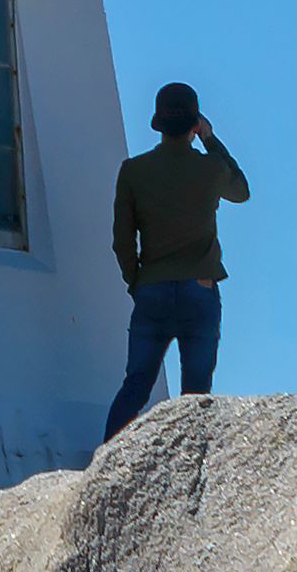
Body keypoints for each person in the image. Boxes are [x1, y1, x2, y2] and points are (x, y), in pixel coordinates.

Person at [102, 80, 249, 444]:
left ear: (158, 123)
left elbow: (122, 239)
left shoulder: (133, 171)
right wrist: (211, 140)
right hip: (200, 288)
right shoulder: (210, 169)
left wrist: (135, 281)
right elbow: (242, 191)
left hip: (151, 288)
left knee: (136, 385)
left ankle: (104, 462)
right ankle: (187, 470)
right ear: (194, 124)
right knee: (196, 397)